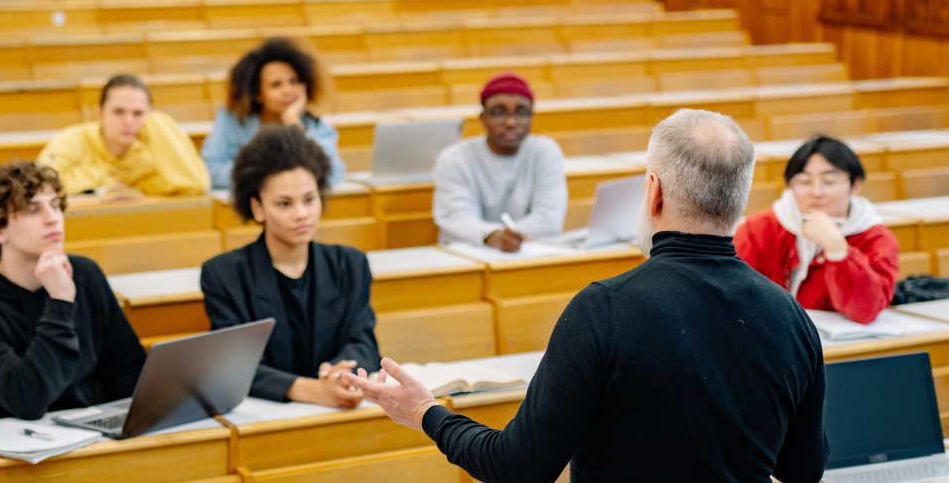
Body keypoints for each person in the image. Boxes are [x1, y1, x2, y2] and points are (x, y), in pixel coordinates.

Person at [345, 109, 828, 483]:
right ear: (739, 199)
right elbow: (803, 471)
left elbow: (519, 467)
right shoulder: (790, 316)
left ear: (653, 192)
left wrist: (424, 413)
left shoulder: (605, 310)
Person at [0, 160, 146, 422]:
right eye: (32, 210)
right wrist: (61, 302)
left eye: (54, 206)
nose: (53, 219)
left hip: (87, 436)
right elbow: (27, 400)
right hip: (8, 450)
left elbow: (128, 369)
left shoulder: (85, 274)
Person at [200, 125, 379, 408]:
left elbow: (364, 343)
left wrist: (340, 373)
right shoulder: (223, 274)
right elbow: (234, 366)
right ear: (257, 208)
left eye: (310, 199)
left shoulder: (350, 264)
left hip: (337, 410)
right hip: (264, 414)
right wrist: (313, 390)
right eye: (284, 204)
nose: (302, 214)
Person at [735, 134, 899, 324]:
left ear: (855, 185)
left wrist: (838, 250)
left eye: (829, 182)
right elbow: (734, 290)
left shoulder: (876, 238)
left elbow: (866, 311)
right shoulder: (761, 228)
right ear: (791, 185)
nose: (816, 192)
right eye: (804, 182)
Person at [432, 72, 567, 252]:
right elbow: (456, 217)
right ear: (483, 118)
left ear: (531, 117)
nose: (511, 122)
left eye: (521, 113)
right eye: (498, 113)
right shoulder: (454, 158)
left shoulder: (544, 151)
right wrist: (492, 236)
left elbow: (549, 219)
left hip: (528, 253)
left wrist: (507, 238)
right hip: (468, 254)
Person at [200, 37, 345, 190]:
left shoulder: (313, 125)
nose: (288, 91)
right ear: (257, 94)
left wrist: (294, 124)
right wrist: (274, 176)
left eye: (293, 81)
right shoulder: (232, 119)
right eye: (276, 85)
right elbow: (210, 171)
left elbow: (332, 175)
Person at [36, 74, 210, 196]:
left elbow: (195, 185)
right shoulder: (73, 139)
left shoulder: (146, 155)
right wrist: (102, 179)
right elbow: (41, 182)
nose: (128, 121)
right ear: (100, 113)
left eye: (138, 114)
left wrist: (158, 121)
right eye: (118, 112)